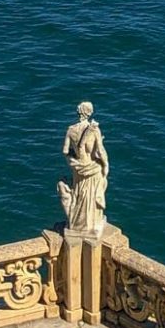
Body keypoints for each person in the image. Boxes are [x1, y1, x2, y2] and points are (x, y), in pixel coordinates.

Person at [57, 100, 108, 236]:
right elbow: (100, 150)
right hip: (92, 168)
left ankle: (77, 224)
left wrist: (73, 162)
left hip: (78, 169)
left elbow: (65, 151)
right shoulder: (94, 129)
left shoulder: (71, 130)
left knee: (79, 194)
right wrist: (106, 166)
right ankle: (90, 223)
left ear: (78, 112)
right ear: (89, 113)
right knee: (90, 196)